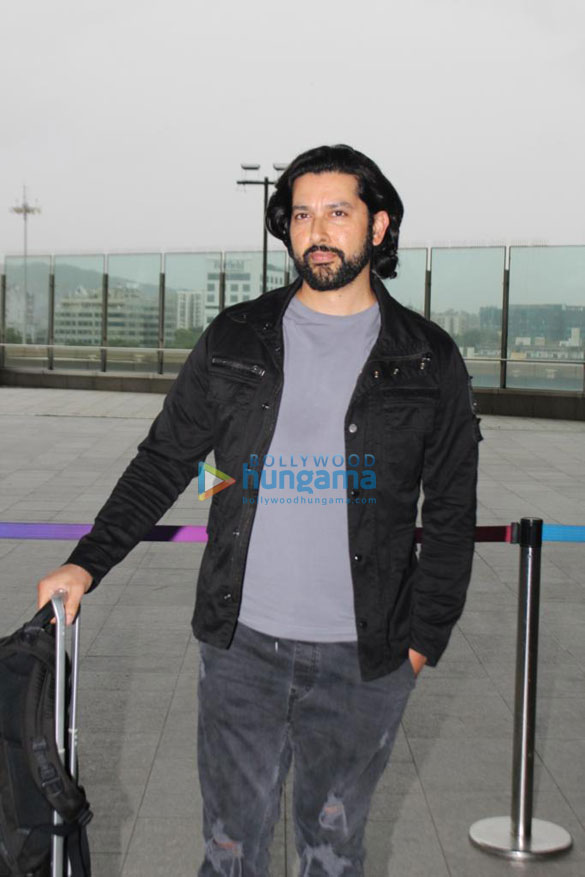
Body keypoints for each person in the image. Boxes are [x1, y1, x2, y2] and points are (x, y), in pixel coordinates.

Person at [38, 144, 481, 876]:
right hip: (240, 646)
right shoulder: (236, 338)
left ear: (378, 226)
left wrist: (421, 640)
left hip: (365, 658)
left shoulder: (429, 359)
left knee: (332, 853)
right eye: (301, 214)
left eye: (337, 212)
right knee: (229, 850)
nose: (317, 230)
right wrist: (87, 562)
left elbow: (452, 509)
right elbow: (163, 461)